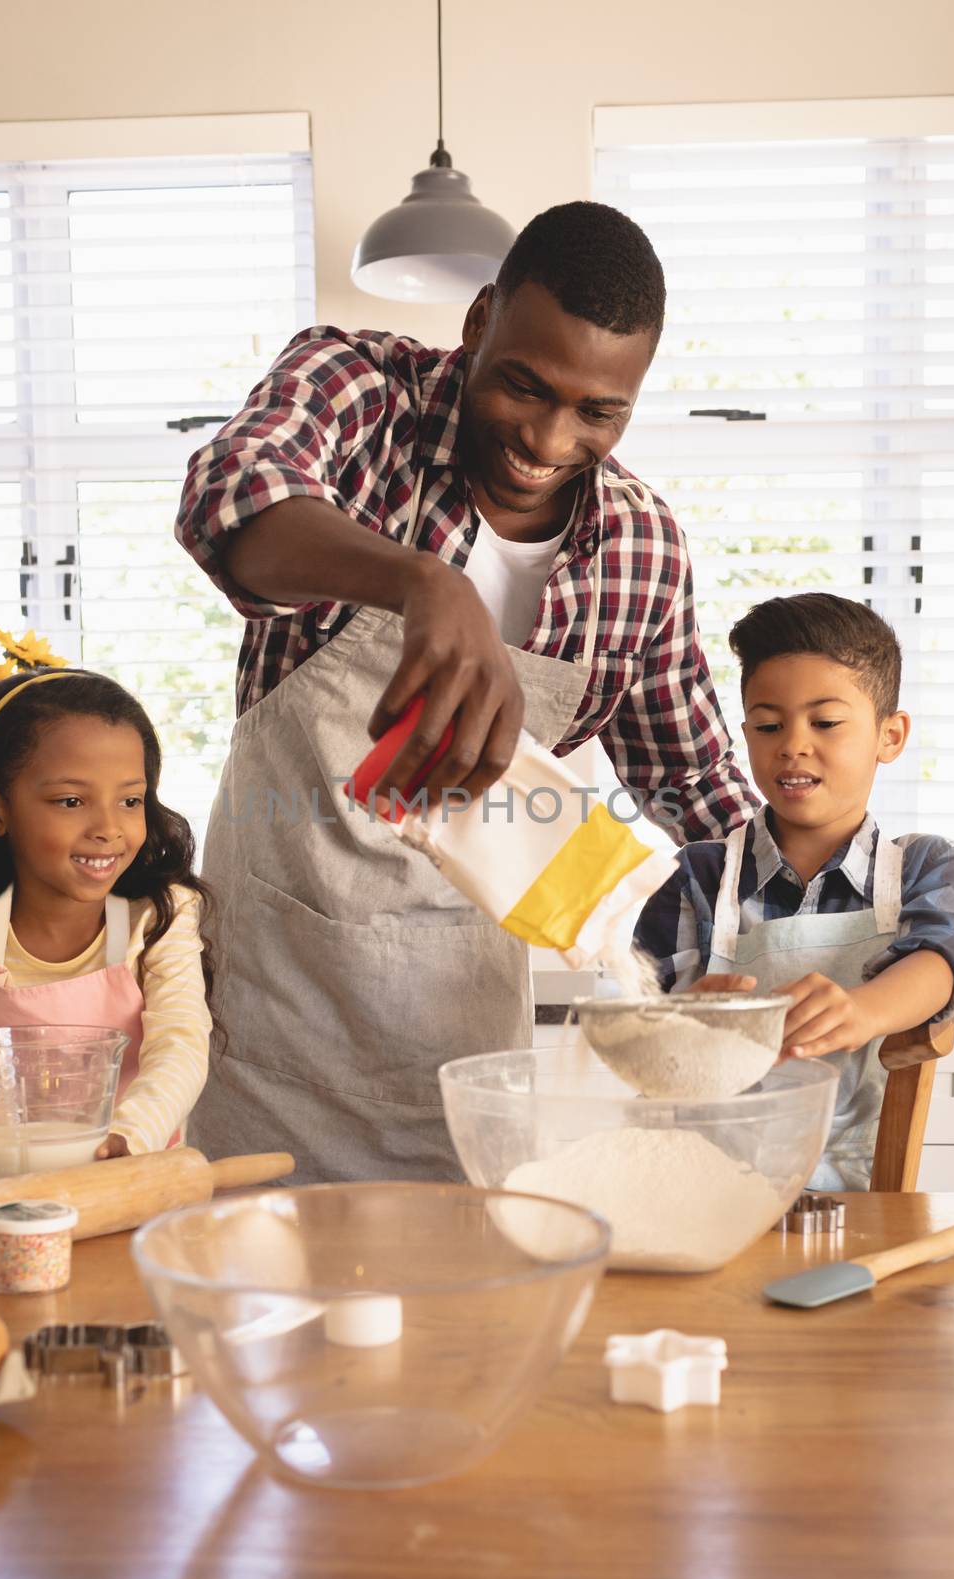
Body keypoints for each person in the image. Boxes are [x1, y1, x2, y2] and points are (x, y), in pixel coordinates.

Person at [175, 199, 757, 1183]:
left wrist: (793, 941)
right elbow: (232, 495)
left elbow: (698, 790)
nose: (547, 435)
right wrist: (422, 582)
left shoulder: (641, 550)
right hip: (273, 1026)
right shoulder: (362, 390)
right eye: (525, 387)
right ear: (480, 319)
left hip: (465, 1053)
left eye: (598, 411)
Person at [634, 592, 954, 1188]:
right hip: (704, 1182)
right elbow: (643, 1035)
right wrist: (684, 1022)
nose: (793, 744)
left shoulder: (925, 867)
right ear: (745, 733)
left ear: (890, 736)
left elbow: (943, 961)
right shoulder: (697, 876)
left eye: (824, 722)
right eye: (769, 725)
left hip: (859, 1187)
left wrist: (860, 1010)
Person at [0, 668, 215, 1181]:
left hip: (129, 1178)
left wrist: (126, 1139)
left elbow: (181, 1046)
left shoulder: (161, 920)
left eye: (130, 800)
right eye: (71, 801)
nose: (108, 829)